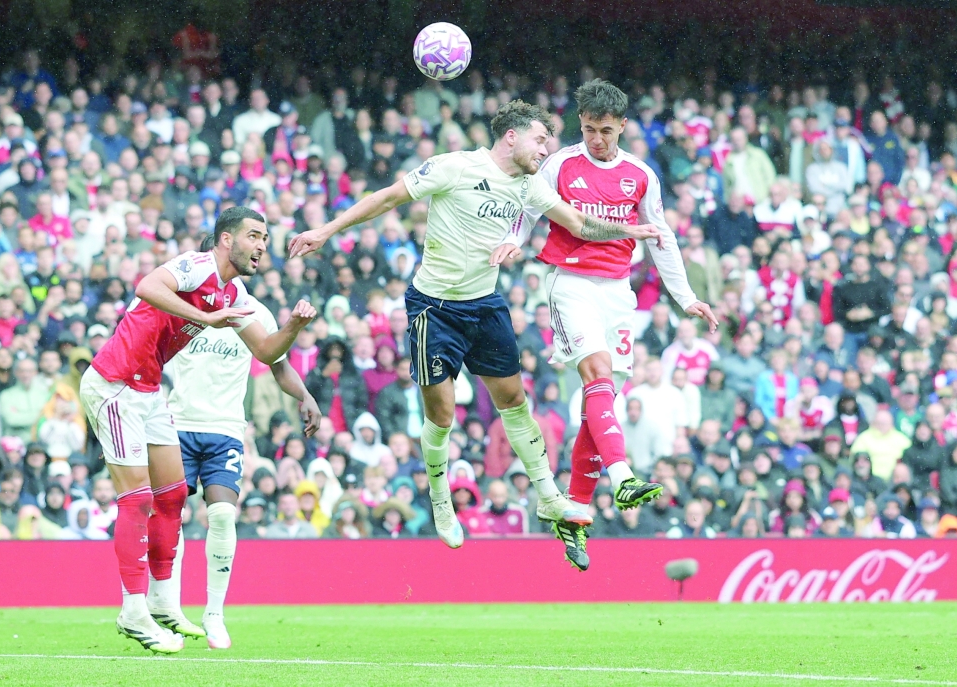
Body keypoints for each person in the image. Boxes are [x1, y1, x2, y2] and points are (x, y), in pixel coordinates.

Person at [290, 100, 667, 551]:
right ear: (512, 136)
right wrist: (326, 230)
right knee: (442, 414)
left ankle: (549, 497)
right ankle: (439, 497)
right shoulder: (454, 167)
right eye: (540, 139)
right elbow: (388, 197)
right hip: (435, 307)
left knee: (515, 401)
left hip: (485, 305)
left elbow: (581, 225)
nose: (547, 149)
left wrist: (630, 230)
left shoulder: (529, 186)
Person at [495, 80, 717, 569]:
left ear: (623, 127)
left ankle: (574, 515)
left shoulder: (640, 174)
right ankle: (623, 479)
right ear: (581, 124)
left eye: (606, 130)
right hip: (569, 281)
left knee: (600, 412)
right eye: (590, 129)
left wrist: (685, 298)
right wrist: (513, 240)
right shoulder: (560, 164)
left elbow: (660, 238)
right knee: (596, 375)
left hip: (618, 292)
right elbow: (529, 208)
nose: (597, 139)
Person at [79, 206, 316, 654]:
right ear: (226, 240)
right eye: (253, 235)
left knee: (171, 495)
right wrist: (204, 319)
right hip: (114, 385)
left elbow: (266, 351)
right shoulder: (196, 265)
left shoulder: (233, 294)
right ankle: (133, 611)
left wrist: (293, 327)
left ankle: (164, 603)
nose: (262, 245)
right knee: (138, 499)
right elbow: (147, 286)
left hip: (148, 391)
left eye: (265, 237)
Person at [162, 233, 322, 649]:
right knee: (170, 519)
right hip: (177, 424)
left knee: (222, 517)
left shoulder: (255, 313)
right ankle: (169, 608)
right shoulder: (184, 306)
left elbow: (277, 363)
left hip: (225, 429)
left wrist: (305, 397)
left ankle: (214, 613)